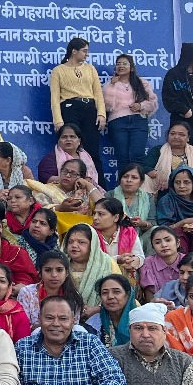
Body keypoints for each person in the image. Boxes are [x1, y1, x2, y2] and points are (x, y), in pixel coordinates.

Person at [49, 37, 106, 179]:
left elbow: (98, 93)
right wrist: (58, 121)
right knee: (71, 149)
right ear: (74, 51)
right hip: (69, 108)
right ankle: (71, 180)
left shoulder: (90, 68)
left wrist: (101, 114)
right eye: (84, 51)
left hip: (89, 109)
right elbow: (55, 98)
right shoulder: (58, 70)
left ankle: (100, 188)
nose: (87, 54)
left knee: (93, 150)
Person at [103, 53, 157, 174]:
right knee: (123, 157)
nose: (121, 66)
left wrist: (141, 105)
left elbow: (153, 103)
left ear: (131, 67)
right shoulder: (110, 84)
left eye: (124, 64)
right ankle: (122, 190)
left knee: (137, 155)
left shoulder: (142, 83)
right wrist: (112, 85)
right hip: (118, 122)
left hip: (138, 121)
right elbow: (107, 106)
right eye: (118, 64)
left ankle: (138, 188)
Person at [139, 120, 193, 196]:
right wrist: (156, 173)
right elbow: (144, 166)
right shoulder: (158, 150)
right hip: (164, 187)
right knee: (145, 178)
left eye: (181, 135)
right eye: (172, 134)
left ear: (188, 138)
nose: (176, 137)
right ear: (168, 135)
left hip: (190, 186)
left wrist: (188, 174)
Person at [17, 250, 84, 327]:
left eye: (59, 270)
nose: (54, 275)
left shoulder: (74, 296)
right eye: (48, 270)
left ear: (67, 273)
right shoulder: (27, 293)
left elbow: (74, 326)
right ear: (40, 273)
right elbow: (23, 326)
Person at [83, 274, 140, 349]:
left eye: (116, 292)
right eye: (105, 293)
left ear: (128, 295)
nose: (110, 296)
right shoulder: (93, 324)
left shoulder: (141, 321)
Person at [92, 198, 143, 278]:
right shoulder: (89, 233)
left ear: (116, 217)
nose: (95, 218)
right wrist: (117, 259)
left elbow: (139, 256)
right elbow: (91, 262)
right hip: (97, 276)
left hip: (124, 276)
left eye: (100, 214)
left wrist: (133, 261)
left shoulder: (129, 233)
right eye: (94, 213)